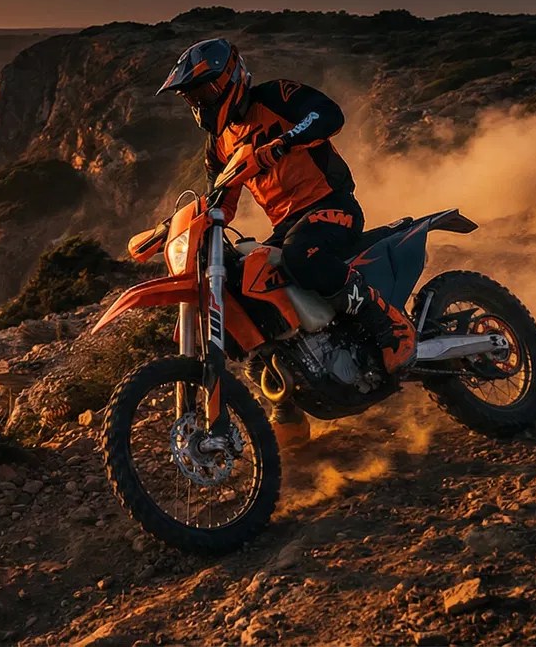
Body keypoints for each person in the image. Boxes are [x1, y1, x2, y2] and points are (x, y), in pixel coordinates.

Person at [156, 37, 416, 449]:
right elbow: (222, 200)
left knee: (301, 256)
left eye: (204, 91)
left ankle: (390, 325)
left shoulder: (276, 96)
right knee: (246, 286)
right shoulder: (219, 145)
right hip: (288, 223)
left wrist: (282, 143)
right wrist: (173, 227)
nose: (200, 102)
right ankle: (287, 401)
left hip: (331, 206)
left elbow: (328, 115)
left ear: (229, 80)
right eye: (192, 97)